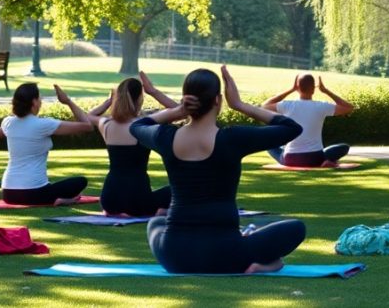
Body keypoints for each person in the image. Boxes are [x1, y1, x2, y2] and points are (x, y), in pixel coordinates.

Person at [130, 66, 305, 274]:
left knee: (156, 222)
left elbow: (137, 126)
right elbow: (292, 128)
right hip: (226, 254)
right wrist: (240, 105)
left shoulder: (166, 137)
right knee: (296, 228)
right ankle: (260, 265)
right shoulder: (232, 139)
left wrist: (177, 111)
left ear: (187, 100)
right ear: (217, 100)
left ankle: (258, 261)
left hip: (175, 256)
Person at [56, 73, 176, 217]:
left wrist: (108, 102)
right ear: (139, 99)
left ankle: (158, 211)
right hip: (137, 201)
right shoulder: (142, 124)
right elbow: (180, 110)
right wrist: (153, 92)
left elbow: (87, 117)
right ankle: (161, 212)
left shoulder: (106, 124)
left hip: (109, 200)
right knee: (177, 188)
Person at [0, 82, 96, 205]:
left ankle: (55, 198)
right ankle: (60, 201)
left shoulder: (7, 122)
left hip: (8, 193)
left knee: (51, 187)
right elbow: (88, 126)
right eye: (40, 98)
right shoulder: (43, 124)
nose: (41, 101)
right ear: (34, 102)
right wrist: (68, 101)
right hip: (33, 193)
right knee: (80, 181)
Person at [261, 73, 355, 167]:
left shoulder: (287, 105)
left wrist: (291, 90)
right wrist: (326, 91)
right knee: (344, 147)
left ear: (298, 88)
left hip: (290, 159)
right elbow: (348, 108)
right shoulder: (321, 106)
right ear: (313, 89)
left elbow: (264, 106)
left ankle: (323, 161)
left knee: (269, 145)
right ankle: (326, 161)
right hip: (315, 158)